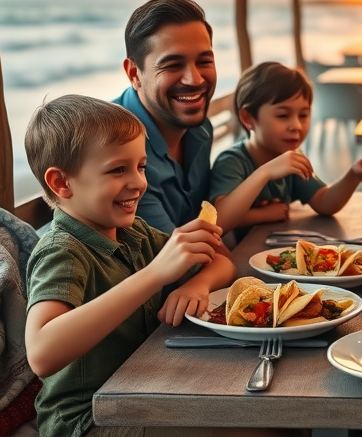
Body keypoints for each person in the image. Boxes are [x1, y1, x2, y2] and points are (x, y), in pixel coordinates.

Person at [23, 94, 235, 437]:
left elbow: (222, 264)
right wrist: (155, 275)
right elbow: (42, 352)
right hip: (89, 419)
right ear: (62, 183)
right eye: (118, 169)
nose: (138, 182)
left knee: (268, 418)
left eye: (141, 166)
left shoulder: (132, 232)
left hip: (142, 391)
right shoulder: (63, 251)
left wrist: (194, 284)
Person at [208, 61, 362, 238]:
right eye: (283, 115)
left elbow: (324, 203)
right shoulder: (232, 162)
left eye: (303, 115)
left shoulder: (290, 160)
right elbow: (217, 221)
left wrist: (353, 175)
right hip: (236, 259)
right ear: (248, 118)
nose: (296, 125)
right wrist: (266, 176)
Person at [113, 0, 217, 235]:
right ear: (134, 74)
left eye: (204, 61)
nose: (195, 80)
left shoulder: (201, 129)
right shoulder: (113, 147)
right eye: (172, 65)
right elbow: (176, 256)